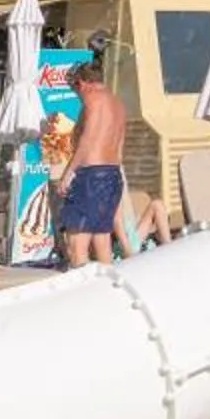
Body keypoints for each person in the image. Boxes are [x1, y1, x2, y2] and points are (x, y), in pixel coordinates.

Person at [56, 55, 126, 268]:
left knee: (77, 246)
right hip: (113, 174)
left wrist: (68, 173)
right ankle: (109, 294)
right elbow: (120, 147)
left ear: (82, 83)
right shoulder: (118, 104)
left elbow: (88, 139)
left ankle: (79, 295)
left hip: (91, 176)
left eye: (75, 90)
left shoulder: (92, 98)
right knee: (102, 242)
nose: (76, 95)